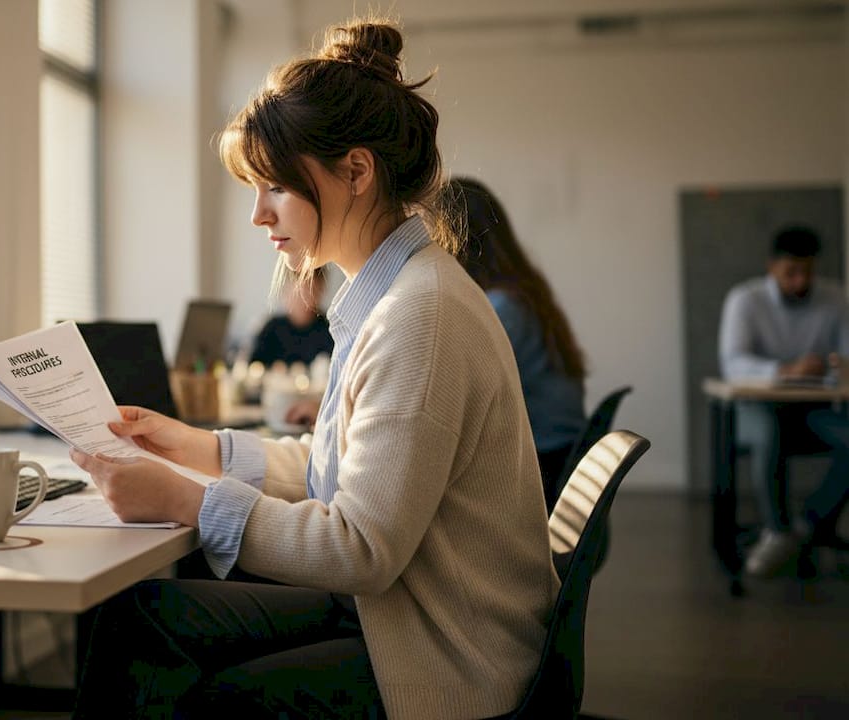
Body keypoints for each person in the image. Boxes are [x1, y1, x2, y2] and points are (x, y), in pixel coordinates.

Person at [67, 18, 557, 719]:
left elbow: (359, 549)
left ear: (356, 172)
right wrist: (198, 449)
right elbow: (348, 469)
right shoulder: (403, 294)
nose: (259, 217)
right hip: (400, 615)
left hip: (442, 656)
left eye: (274, 188)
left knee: (205, 690)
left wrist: (186, 501)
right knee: (140, 616)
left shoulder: (421, 314)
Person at [719, 225, 849, 577]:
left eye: (807, 271)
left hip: (813, 411)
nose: (799, 281)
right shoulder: (745, 300)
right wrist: (786, 370)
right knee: (768, 430)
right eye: (790, 272)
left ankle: (813, 524)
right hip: (758, 409)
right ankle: (777, 529)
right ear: (771, 267)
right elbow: (732, 365)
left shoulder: (836, 298)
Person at [453, 177, 588, 510]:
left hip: (544, 469)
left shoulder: (503, 307)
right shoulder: (522, 292)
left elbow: (464, 394)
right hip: (560, 456)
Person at [248, 265, 334, 367]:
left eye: (310, 292)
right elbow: (252, 367)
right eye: (298, 294)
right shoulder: (271, 329)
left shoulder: (331, 329)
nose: (305, 301)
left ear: (321, 290)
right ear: (286, 291)